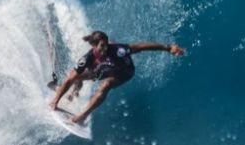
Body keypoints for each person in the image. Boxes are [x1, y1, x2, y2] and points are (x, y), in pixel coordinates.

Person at [48, 30, 185, 126]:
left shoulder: (118, 51)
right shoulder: (88, 58)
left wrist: (168, 48)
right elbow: (71, 78)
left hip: (124, 72)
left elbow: (141, 46)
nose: (105, 48)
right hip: (103, 69)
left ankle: (82, 116)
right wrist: (55, 101)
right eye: (102, 45)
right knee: (77, 77)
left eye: (106, 44)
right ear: (93, 46)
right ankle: (73, 94)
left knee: (106, 85)